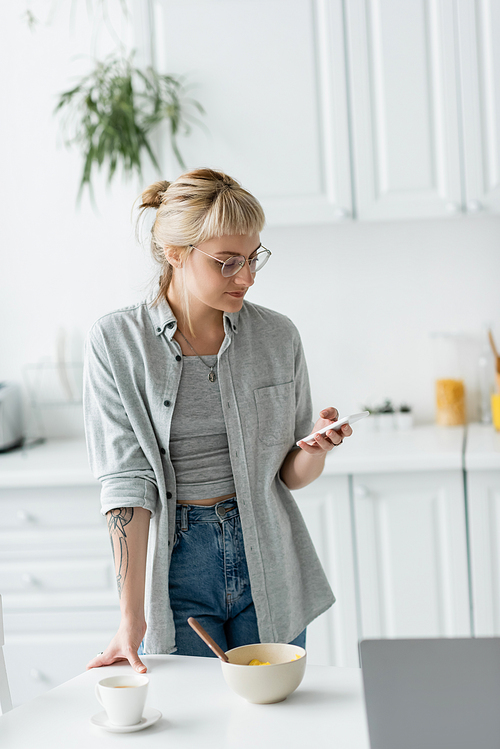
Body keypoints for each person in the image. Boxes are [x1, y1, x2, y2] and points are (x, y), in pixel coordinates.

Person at [84, 168, 352, 673]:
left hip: (269, 559)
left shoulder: (277, 336)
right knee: (195, 724)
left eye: (254, 258)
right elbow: (127, 485)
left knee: (273, 716)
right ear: (175, 253)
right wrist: (130, 618)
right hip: (179, 568)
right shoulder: (116, 342)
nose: (247, 277)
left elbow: (289, 476)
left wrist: (315, 451)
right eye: (227, 262)